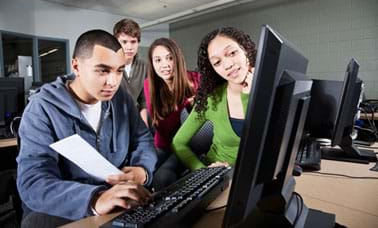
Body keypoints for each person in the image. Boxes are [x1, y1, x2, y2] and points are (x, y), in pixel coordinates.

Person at [16, 30, 157, 227]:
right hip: (69, 207)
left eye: (119, 70)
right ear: (76, 66)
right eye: (102, 70)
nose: (113, 82)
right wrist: (94, 199)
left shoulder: (121, 99)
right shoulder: (42, 108)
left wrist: (142, 170)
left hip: (116, 200)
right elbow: (33, 182)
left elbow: (143, 139)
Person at [172, 27, 257, 171]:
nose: (228, 65)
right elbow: (178, 143)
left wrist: (249, 94)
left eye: (232, 53)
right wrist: (205, 171)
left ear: (246, 50)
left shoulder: (272, 87)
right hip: (222, 178)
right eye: (217, 62)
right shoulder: (212, 100)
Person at [144, 38, 200, 190]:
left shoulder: (196, 79)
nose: (165, 65)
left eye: (169, 58)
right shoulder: (149, 84)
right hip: (164, 144)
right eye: (158, 60)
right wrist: (187, 104)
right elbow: (162, 126)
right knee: (144, 177)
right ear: (152, 63)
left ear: (177, 58)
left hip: (190, 143)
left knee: (162, 178)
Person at [113, 18, 149, 126]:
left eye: (133, 42)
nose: (129, 47)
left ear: (138, 43)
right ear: (116, 43)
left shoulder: (144, 66)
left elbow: (143, 101)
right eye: (124, 42)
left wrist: (144, 125)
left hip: (135, 118)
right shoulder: (109, 65)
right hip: (114, 120)